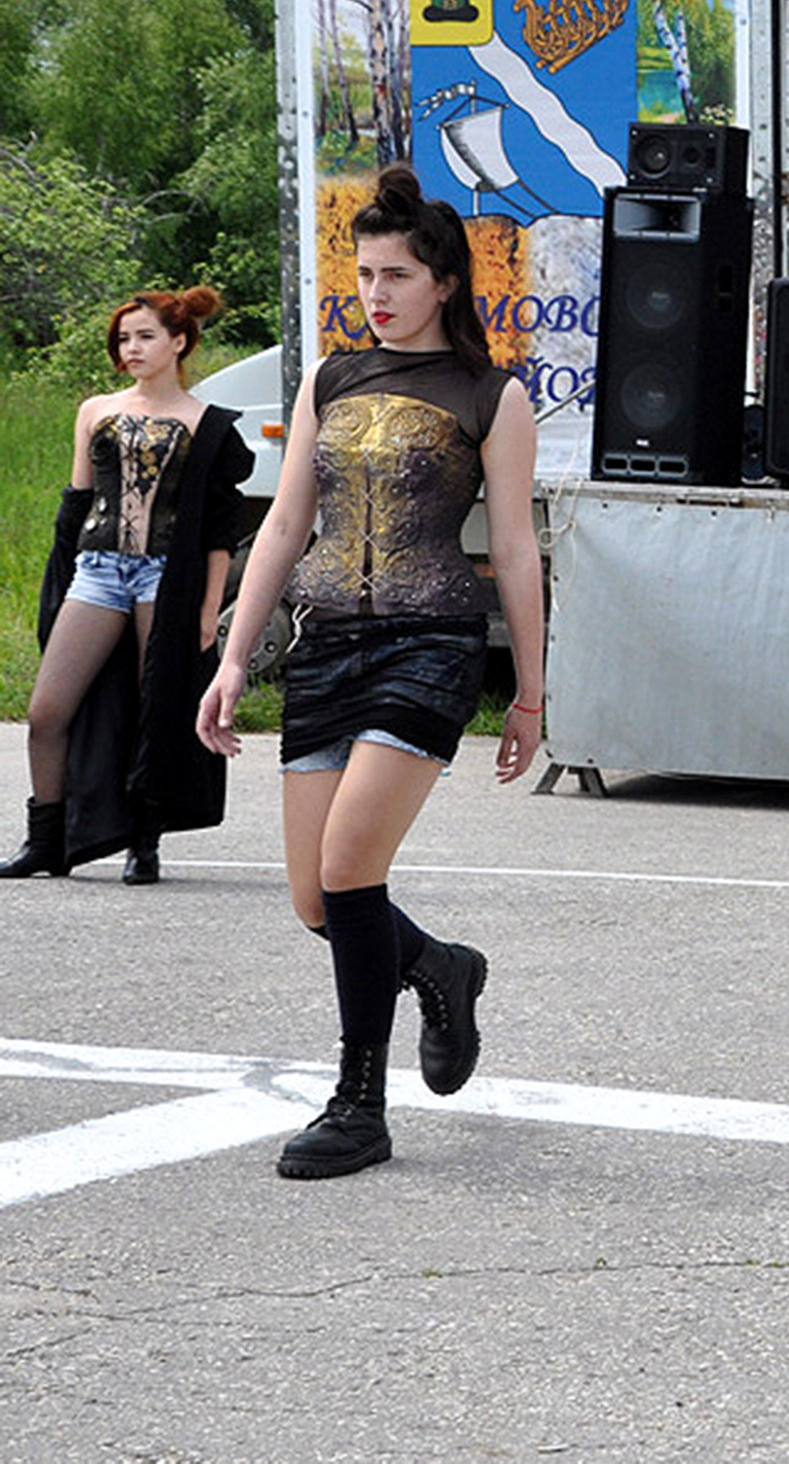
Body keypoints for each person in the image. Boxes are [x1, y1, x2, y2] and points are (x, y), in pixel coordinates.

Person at [197, 165, 546, 1182]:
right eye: (364, 275)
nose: (375, 294)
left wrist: (528, 691)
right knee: (316, 900)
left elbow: (515, 550)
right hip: (325, 648)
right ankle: (438, 966)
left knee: (352, 869)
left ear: (443, 280)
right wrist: (232, 657)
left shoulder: (491, 395)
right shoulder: (330, 379)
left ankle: (358, 1104)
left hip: (428, 644)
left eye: (396, 275)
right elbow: (284, 527)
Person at [3, 288, 252, 885]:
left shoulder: (209, 425)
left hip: (166, 577)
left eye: (143, 336)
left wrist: (208, 608)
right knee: (47, 710)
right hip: (96, 572)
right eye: (123, 338)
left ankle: (145, 843)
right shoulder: (95, 409)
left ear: (179, 341)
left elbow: (220, 530)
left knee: (156, 709)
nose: (130, 348)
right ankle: (46, 840)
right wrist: (58, 587)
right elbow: (77, 504)